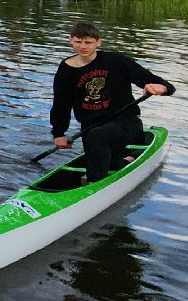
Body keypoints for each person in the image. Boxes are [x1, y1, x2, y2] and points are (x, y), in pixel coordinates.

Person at [49, 21, 174, 182]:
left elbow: (161, 84)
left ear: (98, 42)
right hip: (91, 126)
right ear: (70, 40)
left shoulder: (115, 61)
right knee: (109, 159)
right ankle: (127, 160)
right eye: (78, 42)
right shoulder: (65, 69)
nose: (83, 46)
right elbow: (61, 104)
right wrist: (59, 133)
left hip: (126, 123)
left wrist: (161, 88)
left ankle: (94, 185)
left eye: (88, 42)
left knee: (97, 138)